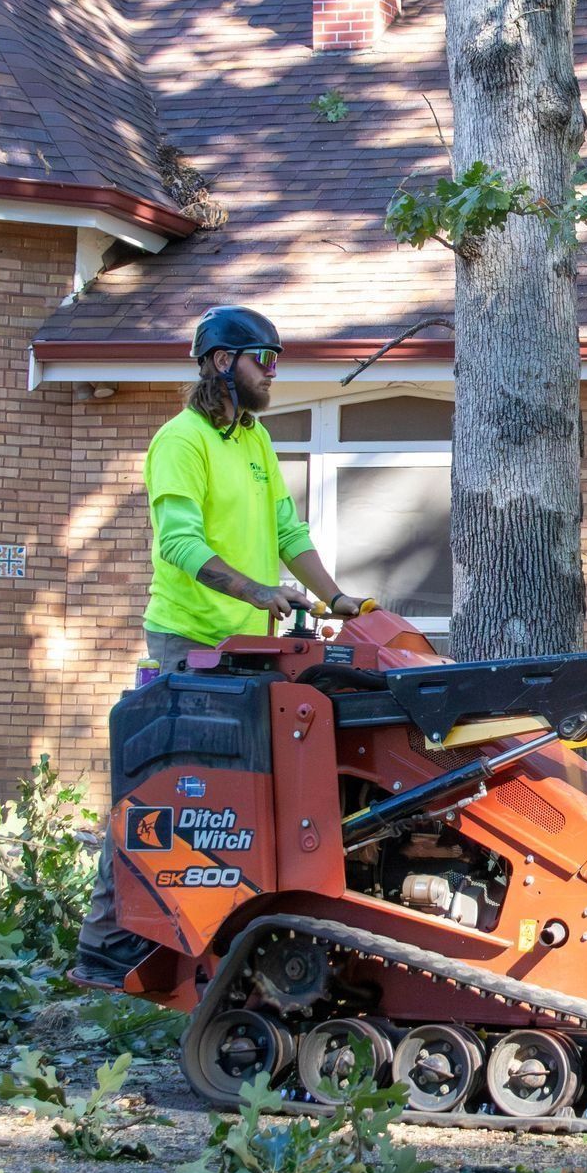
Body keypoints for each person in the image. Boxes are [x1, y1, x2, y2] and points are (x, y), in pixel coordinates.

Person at [68, 305, 369, 989]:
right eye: (263, 357)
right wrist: (260, 593)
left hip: (248, 647)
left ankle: (207, 932)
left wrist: (337, 599)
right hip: (191, 641)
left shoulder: (254, 440)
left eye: (276, 359)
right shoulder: (181, 441)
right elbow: (178, 543)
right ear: (219, 363)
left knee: (232, 802)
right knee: (159, 791)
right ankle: (105, 943)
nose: (273, 370)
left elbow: (289, 532)